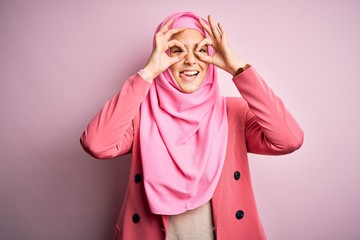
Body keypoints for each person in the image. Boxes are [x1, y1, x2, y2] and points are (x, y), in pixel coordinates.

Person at [80, 11, 304, 240]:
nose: (190, 60)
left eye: (200, 51)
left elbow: (289, 139)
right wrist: (147, 73)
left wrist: (236, 67)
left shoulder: (234, 114)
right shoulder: (141, 115)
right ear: (163, 56)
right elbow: (96, 144)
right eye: (177, 51)